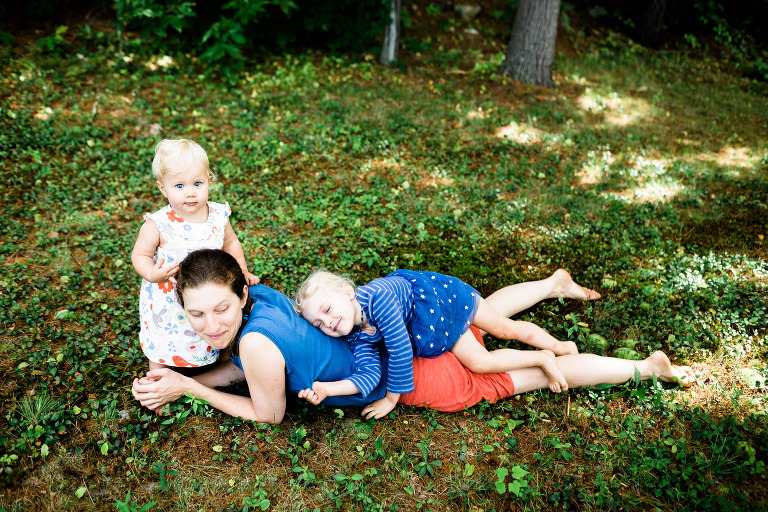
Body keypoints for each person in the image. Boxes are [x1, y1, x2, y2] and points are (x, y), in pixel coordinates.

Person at [131, 249, 695, 422]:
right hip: (423, 327)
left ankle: (646, 370)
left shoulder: (251, 342)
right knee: (482, 315)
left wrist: (191, 390)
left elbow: (268, 411)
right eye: (196, 315)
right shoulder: (267, 297)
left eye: (220, 309)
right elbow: (258, 360)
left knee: (514, 376)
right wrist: (192, 371)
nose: (211, 326)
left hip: (428, 378)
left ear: (240, 294)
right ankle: (550, 284)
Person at [292, 269, 584, 416]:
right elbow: (369, 375)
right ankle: (548, 353)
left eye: (327, 310)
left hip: (443, 302)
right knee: (482, 359)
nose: (327, 323)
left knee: (502, 331)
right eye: (319, 324)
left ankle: (552, 352)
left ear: (347, 292)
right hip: (432, 327)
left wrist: (392, 399)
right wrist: (327, 390)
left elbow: (400, 350)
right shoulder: (358, 335)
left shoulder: (379, 299)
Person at [130, 139, 258, 372]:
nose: (190, 193)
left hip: (208, 292)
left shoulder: (218, 215)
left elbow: (231, 243)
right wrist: (151, 273)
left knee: (209, 326)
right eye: (179, 186)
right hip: (168, 296)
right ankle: (158, 377)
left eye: (197, 183)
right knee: (165, 337)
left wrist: (242, 270)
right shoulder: (159, 223)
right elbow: (140, 254)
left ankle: (210, 365)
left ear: (209, 180)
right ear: (162, 188)